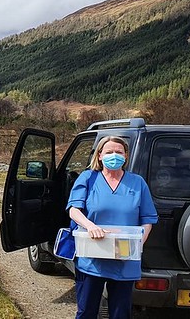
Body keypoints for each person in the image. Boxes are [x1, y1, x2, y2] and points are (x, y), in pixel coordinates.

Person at [66, 136, 158, 319]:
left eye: (119, 152)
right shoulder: (88, 178)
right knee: (86, 312)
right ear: (100, 156)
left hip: (124, 258)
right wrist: (90, 226)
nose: (114, 156)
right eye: (109, 152)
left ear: (126, 156)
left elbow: (148, 219)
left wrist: (138, 243)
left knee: (120, 314)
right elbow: (74, 210)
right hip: (92, 258)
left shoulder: (137, 182)